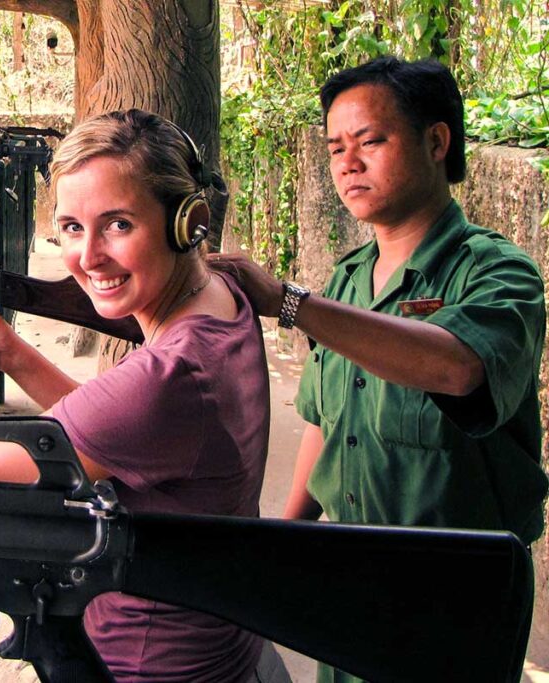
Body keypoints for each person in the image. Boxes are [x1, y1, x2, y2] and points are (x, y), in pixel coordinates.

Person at [0, 109, 291, 683]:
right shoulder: (223, 295)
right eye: (70, 227)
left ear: (188, 221)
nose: (88, 257)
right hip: (222, 643)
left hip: (147, 666)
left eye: (118, 224)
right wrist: (14, 354)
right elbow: (112, 439)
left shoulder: (169, 377)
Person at [210, 56, 549, 683]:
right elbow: (325, 422)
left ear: (437, 141)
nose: (347, 163)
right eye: (336, 147)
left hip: (457, 597)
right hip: (353, 581)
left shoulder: (500, 275)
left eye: (370, 142)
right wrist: (281, 544)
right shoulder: (345, 280)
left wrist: (288, 303)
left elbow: (455, 367)